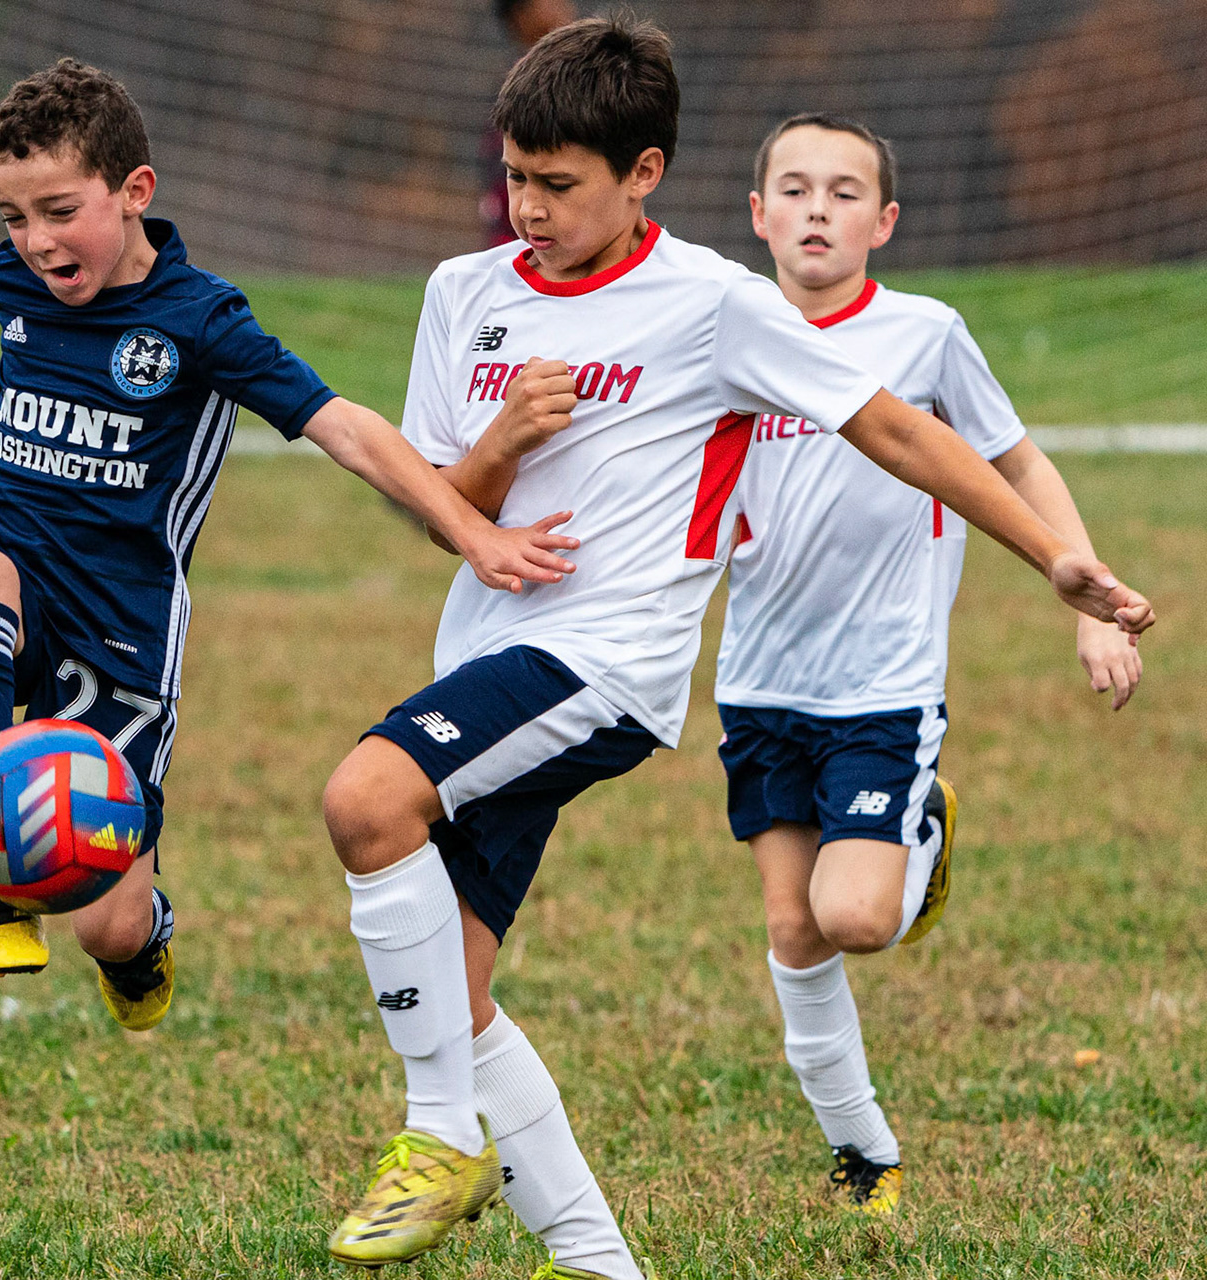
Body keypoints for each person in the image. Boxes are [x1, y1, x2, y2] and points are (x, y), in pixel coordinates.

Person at [319, 16, 1154, 1277]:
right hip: (484, 656)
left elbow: (898, 432)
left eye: (559, 184)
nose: (528, 208)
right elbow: (445, 505)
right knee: (458, 988)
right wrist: (504, 443)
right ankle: (605, 1264)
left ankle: (439, 1134)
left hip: (607, 664)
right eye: (516, 178)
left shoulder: (713, 300)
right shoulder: (464, 295)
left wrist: (1051, 554)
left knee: (364, 796)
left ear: (642, 173)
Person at [0, 58, 579, 1033]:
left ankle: (141, 944)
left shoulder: (202, 322)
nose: (34, 242)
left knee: (104, 918)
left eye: (58, 210)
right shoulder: (9, 280)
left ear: (136, 191)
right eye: (13, 217)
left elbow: (343, 425)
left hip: (120, 625)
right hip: (4, 553)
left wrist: (472, 530)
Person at [713, 113, 1142, 1215]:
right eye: (795, 190)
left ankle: (923, 825)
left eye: (845, 192)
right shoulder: (725, 334)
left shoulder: (925, 332)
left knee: (854, 914)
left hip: (882, 684)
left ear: (886, 221)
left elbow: (1017, 459)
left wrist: (1086, 598)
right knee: (794, 928)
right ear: (757, 215)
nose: (818, 209)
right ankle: (865, 1152)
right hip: (759, 682)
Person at [481, 0, 580, 247]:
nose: (563, 6)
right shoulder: (520, 92)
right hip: (525, 244)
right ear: (520, 16)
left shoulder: (581, 78)